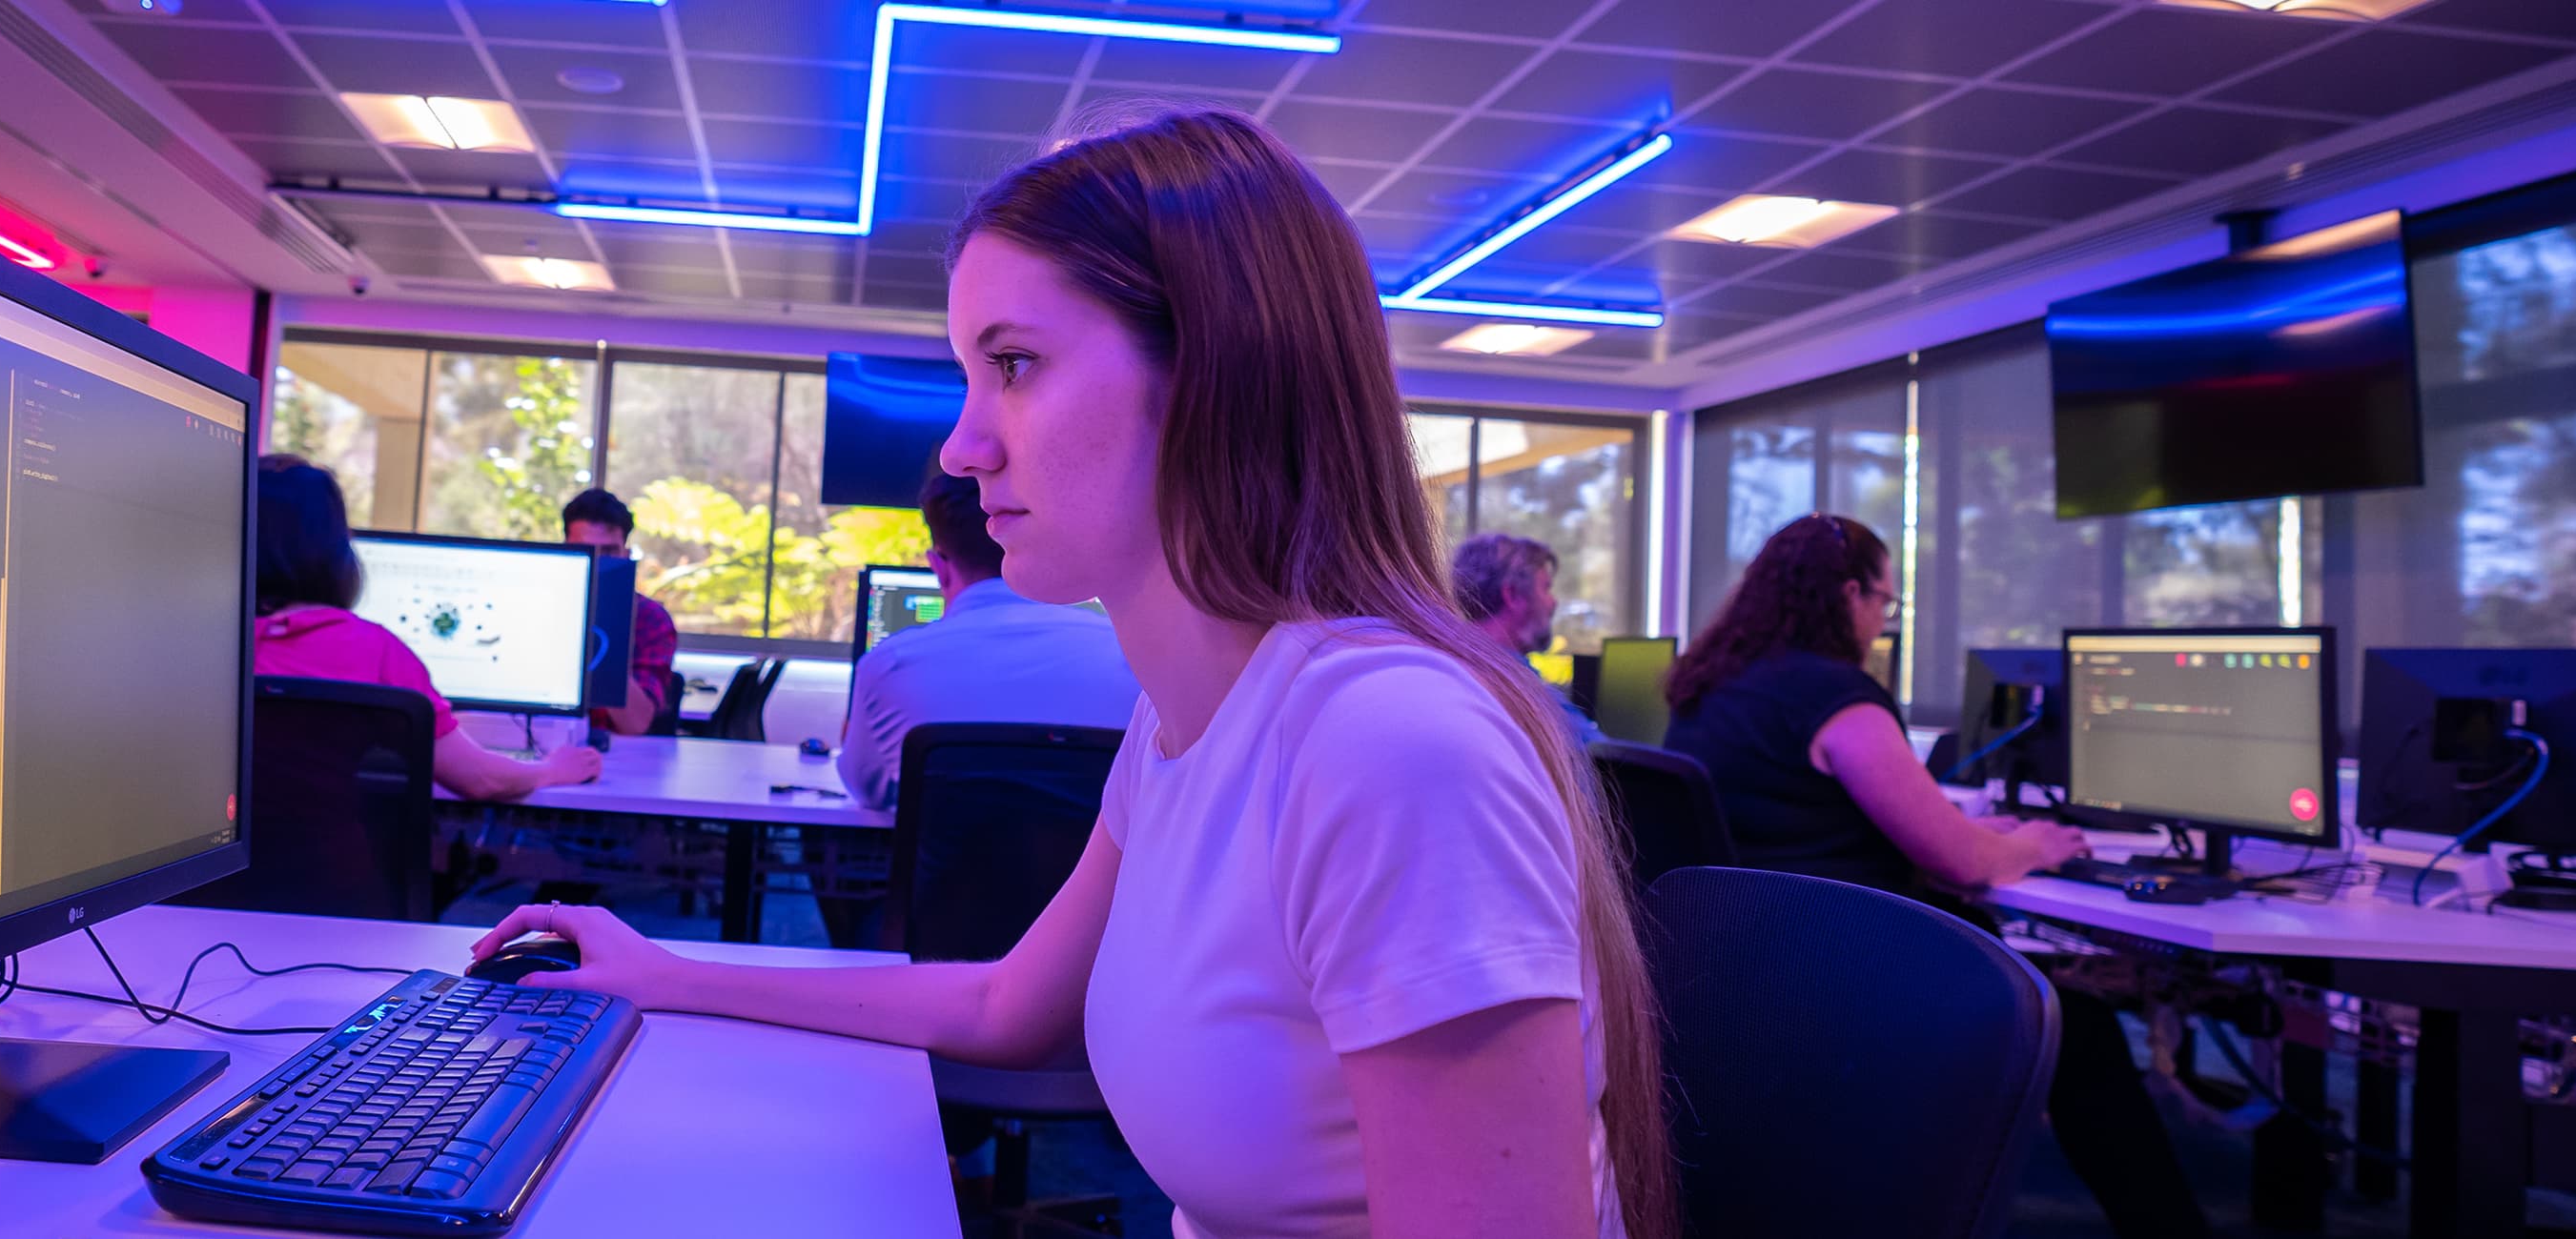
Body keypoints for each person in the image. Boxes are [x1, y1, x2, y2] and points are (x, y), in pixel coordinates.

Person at [474, 107, 1667, 1239]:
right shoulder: (1180, 724)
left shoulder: (1392, 745)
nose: (961, 444)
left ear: (1215, 372)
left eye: (1016, 363)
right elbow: (1003, 1005)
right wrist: (668, 975)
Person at [1662, 512, 2211, 1238]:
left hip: (1749, 962)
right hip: (1853, 964)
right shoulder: (1838, 699)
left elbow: (1827, 820)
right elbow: (1958, 863)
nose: (1882, 623)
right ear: (1850, 594)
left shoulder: (1716, 686)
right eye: (1885, 604)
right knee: (2086, 1033)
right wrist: (2036, 844)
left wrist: (1983, 833)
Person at [252, 455, 599, 801]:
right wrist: (552, 769)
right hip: (331, 853)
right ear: (335, 548)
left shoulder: (212, 643)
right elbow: (481, 780)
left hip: (217, 855)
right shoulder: (374, 650)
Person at [836, 472, 1139, 809]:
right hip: (1105, 863)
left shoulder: (889, 667)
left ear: (939, 567)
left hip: (950, 862)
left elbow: (868, 793)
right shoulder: (1131, 656)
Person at [1451, 532, 1601, 745]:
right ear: (1512, 595)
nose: (1553, 602)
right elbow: (1610, 758)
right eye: (1546, 588)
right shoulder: (1524, 692)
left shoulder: (1445, 667)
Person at [561, 489, 679, 736]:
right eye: (585, 550)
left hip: (614, 755)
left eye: (609, 553)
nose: (597, 562)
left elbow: (635, 724)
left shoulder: (650, 619)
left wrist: (603, 622)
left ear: (625, 554)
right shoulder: (537, 605)